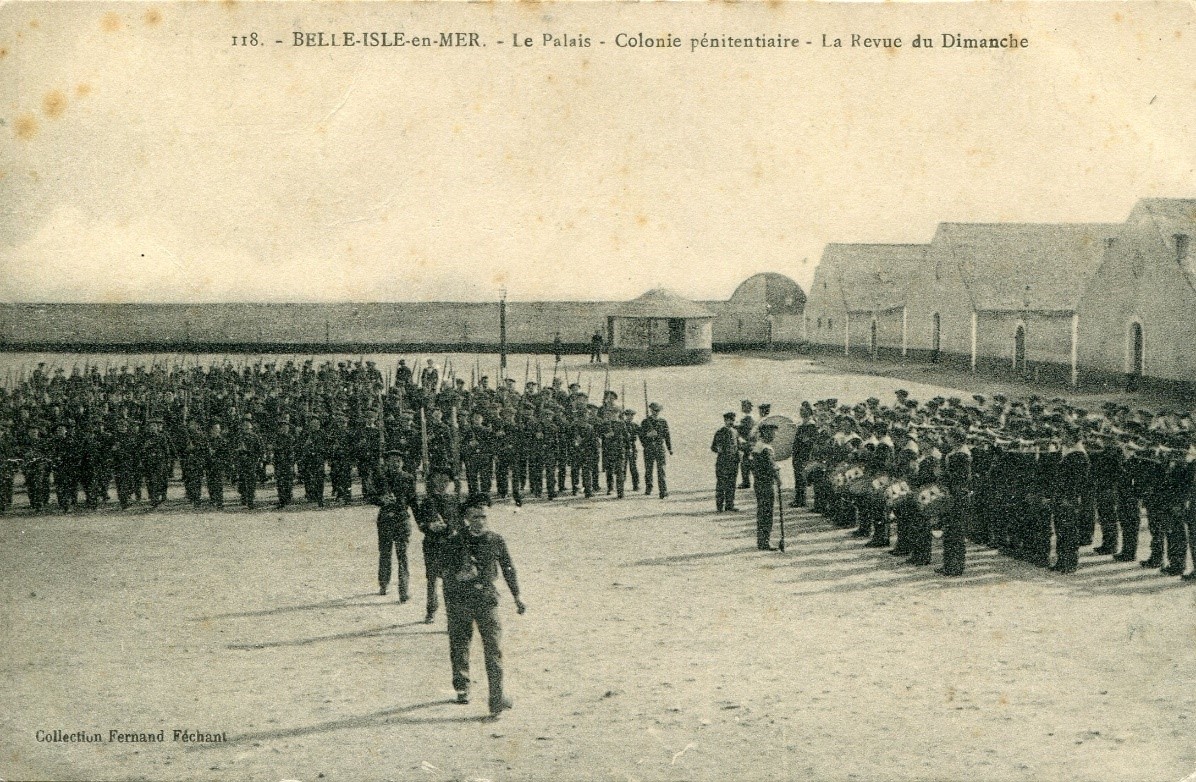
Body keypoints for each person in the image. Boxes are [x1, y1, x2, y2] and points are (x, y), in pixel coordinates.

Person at [440, 495, 526, 717]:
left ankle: (496, 700)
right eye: (475, 517)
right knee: (460, 644)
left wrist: (517, 596)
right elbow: (443, 571)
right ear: (466, 518)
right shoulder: (454, 541)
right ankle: (462, 686)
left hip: (487, 601)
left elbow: (508, 569)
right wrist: (458, 576)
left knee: (494, 649)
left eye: (484, 516)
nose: (481, 521)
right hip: (460, 601)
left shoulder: (496, 540)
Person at [375, 450, 418, 600]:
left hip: (402, 519)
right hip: (385, 519)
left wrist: (421, 522)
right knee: (385, 552)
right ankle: (383, 583)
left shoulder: (409, 478)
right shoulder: (381, 478)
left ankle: (403, 590)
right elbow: (371, 496)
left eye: (398, 460)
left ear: (403, 462)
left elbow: (413, 501)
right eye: (392, 460)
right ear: (387, 462)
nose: (395, 463)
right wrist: (382, 500)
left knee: (402, 555)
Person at [751, 421, 780, 549]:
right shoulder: (766, 448)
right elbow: (771, 467)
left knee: (762, 512)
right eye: (772, 433)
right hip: (766, 483)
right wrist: (778, 478)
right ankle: (765, 542)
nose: (774, 435)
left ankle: (762, 540)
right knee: (767, 513)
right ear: (765, 433)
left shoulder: (758, 446)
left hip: (759, 482)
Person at [640, 402, 672, 499]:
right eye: (654, 410)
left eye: (657, 411)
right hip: (649, 448)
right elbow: (641, 436)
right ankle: (649, 487)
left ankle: (663, 491)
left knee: (661, 470)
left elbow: (667, 436)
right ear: (650, 410)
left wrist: (669, 448)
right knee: (648, 469)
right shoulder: (645, 422)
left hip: (659, 448)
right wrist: (647, 436)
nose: (655, 412)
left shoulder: (663, 422)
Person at [711, 412, 740, 512]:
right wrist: (718, 449)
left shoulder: (735, 432)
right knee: (721, 484)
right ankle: (719, 506)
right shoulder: (720, 432)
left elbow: (738, 446)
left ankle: (730, 505)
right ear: (725, 420)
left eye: (733, 420)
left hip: (733, 462)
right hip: (723, 462)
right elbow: (713, 447)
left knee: (732, 484)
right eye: (729, 420)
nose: (731, 422)